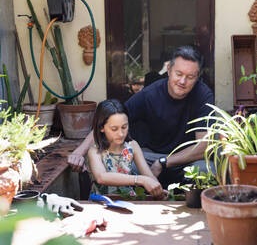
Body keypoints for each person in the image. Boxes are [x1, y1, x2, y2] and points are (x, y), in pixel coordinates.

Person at [68, 45, 214, 188]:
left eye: (190, 77)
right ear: (169, 70)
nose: (182, 81)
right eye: (179, 74)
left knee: (206, 171)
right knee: (118, 164)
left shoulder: (203, 95)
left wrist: (164, 162)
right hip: (150, 157)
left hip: (185, 159)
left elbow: (203, 146)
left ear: (198, 77)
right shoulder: (150, 94)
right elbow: (108, 122)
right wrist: (79, 152)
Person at [87, 99, 164, 198]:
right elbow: (102, 177)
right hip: (101, 202)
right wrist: (140, 180)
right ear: (101, 128)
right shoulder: (95, 151)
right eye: (114, 129)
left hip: (128, 200)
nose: (121, 133)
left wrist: (157, 189)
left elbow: (149, 176)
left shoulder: (132, 146)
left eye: (124, 127)